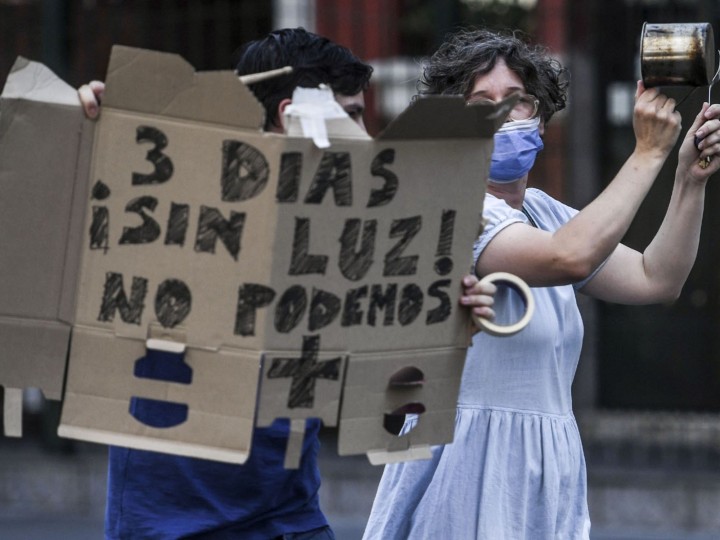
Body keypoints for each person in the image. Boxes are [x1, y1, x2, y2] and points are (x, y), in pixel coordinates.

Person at [78, 28, 497, 540]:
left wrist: (445, 336)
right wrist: (80, 136)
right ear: (291, 114)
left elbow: (388, 410)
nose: (367, 142)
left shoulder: (351, 247)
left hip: (289, 524)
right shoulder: (163, 206)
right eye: (350, 115)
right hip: (172, 529)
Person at [363, 27, 720, 540]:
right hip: (466, 472)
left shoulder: (543, 212)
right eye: (479, 103)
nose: (502, 116)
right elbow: (568, 258)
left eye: (519, 101)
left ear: (541, 116)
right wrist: (646, 154)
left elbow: (655, 278)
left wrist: (688, 179)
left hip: (544, 472)